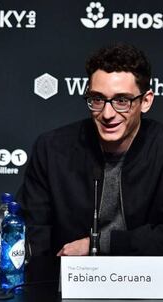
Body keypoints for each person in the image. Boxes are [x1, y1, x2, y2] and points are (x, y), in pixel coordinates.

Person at [18, 43, 163, 256]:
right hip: (68, 281)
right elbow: (31, 231)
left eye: (121, 101)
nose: (107, 113)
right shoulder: (52, 149)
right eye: (97, 99)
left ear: (146, 101)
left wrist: (99, 244)